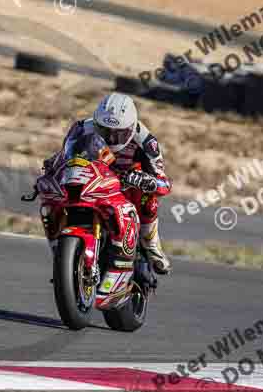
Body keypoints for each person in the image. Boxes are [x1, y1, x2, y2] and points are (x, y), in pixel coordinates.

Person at [42, 92, 173, 281]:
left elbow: (164, 183)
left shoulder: (147, 141)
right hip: (93, 180)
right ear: (96, 124)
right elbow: (65, 157)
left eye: (118, 133)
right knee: (53, 196)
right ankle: (62, 255)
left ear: (130, 128)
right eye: (104, 131)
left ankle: (151, 245)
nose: (111, 139)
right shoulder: (81, 129)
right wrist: (51, 169)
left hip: (127, 186)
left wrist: (147, 181)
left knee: (149, 201)